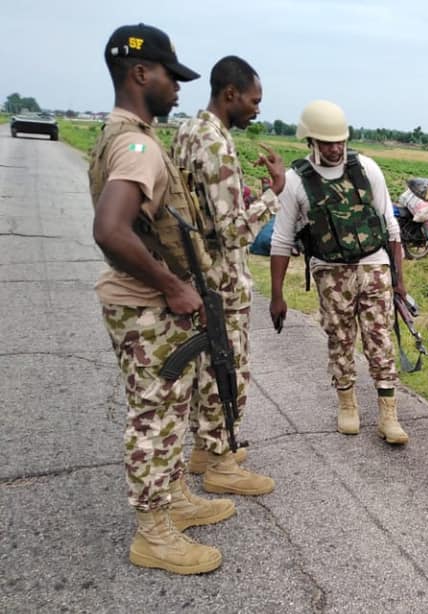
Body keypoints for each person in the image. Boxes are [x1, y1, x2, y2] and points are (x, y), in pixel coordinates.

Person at [90, 23, 231, 575]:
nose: (177, 88)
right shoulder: (137, 146)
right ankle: (153, 533)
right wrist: (172, 285)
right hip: (147, 305)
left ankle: (173, 498)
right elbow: (111, 229)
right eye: (171, 77)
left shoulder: (119, 135)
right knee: (156, 415)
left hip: (149, 303)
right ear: (140, 73)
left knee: (169, 411)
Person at [172, 56, 285, 496]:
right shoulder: (216, 144)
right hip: (220, 279)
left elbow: (205, 209)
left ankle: (205, 449)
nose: (257, 109)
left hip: (198, 272)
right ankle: (220, 465)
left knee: (208, 368)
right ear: (230, 94)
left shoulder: (187, 131)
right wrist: (273, 195)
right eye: (254, 100)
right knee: (227, 370)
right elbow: (232, 230)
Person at [269, 100, 409, 445]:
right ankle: (347, 403)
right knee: (340, 338)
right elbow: (282, 238)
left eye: (339, 142)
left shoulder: (367, 168)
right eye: (326, 142)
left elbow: (391, 227)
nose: (334, 149)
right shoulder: (295, 181)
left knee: (380, 338)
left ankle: (388, 415)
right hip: (330, 271)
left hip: (373, 264)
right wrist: (276, 295)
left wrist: (400, 283)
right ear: (310, 142)